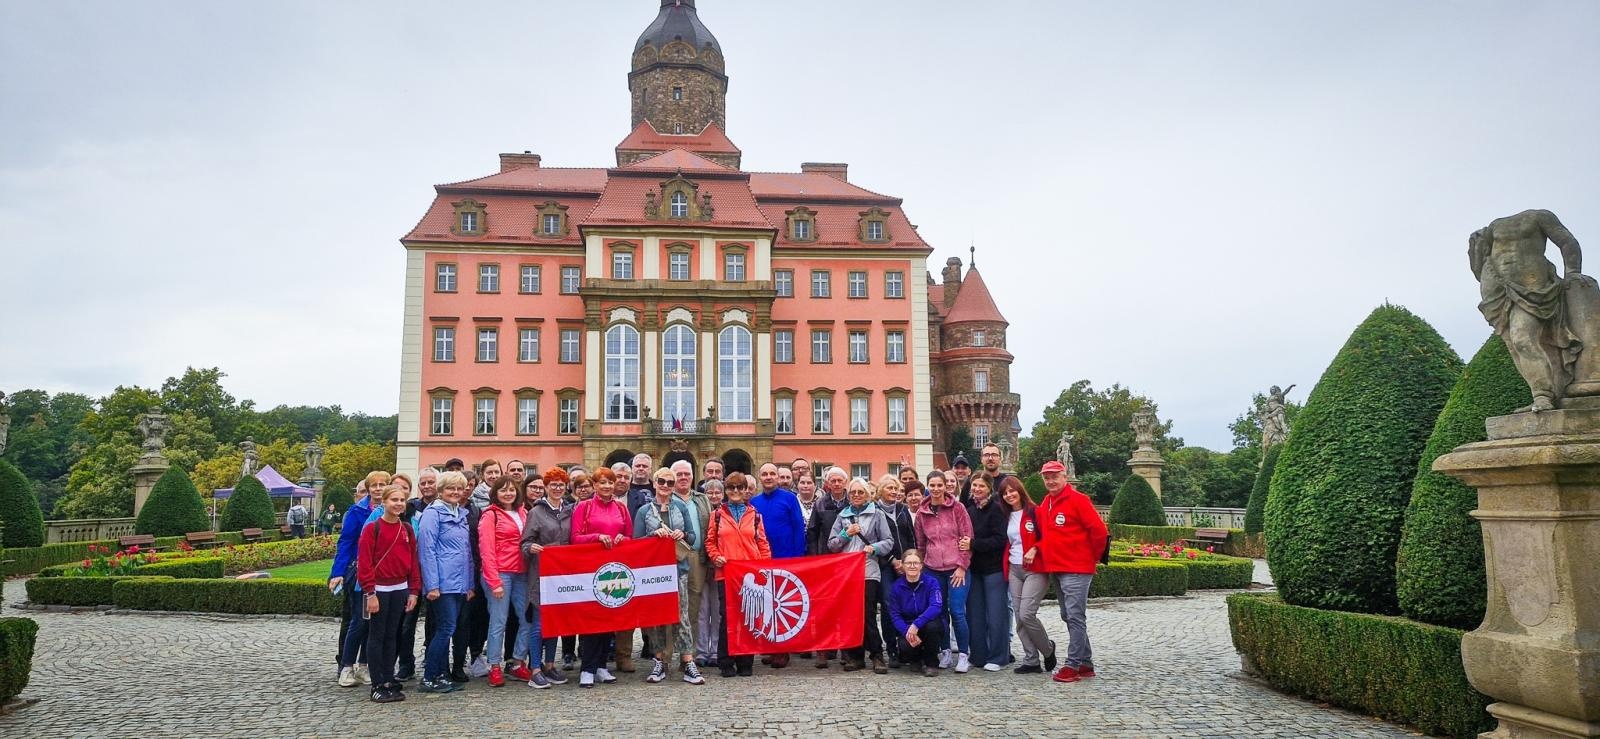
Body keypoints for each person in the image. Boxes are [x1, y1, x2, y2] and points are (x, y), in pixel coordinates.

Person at [1034, 460, 1108, 683]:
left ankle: (1073, 665)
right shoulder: (1046, 502)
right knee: (1068, 615)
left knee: (1075, 617)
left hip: (1076, 568)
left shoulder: (1078, 500)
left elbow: (1099, 532)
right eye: (1047, 477)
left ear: (1065, 477)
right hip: (1057, 567)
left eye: (1055, 476)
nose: (1050, 480)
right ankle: (1086, 663)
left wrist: (1090, 558)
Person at [635, 467, 704, 685]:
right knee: (657, 617)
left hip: (678, 569)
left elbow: (692, 538)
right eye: (662, 482)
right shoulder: (644, 511)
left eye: (670, 483)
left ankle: (687, 661)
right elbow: (636, 542)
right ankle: (659, 661)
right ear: (654, 483)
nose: (666, 486)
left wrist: (682, 533)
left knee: (681, 615)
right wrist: (652, 535)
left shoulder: (681, 507)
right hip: (654, 573)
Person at [704, 472, 772, 678]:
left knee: (749, 616)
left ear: (746, 491)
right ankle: (725, 661)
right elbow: (710, 542)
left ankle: (746, 660)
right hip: (726, 573)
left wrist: (765, 569)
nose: (735, 492)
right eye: (731, 488)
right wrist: (716, 557)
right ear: (726, 491)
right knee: (727, 617)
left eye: (739, 488)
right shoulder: (717, 515)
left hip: (749, 574)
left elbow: (762, 543)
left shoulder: (755, 515)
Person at [570, 468, 633, 687]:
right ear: (594, 485)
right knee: (591, 619)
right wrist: (597, 537)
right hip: (590, 568)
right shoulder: (584, 507)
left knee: (609, 617)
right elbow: (575, 537)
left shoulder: (621, 509)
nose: (607, 486)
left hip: (613, 569)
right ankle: (587, 667)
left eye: (610, 482)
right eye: (602, 482)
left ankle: (601, 666)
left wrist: (622, 539)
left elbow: (629, 536)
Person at [358, 483, 421, 703]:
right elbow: (365, 564)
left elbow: (413, 562)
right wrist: (370, 592)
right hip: (379, 589)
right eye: (394, 500)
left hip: (400, 588)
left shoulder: (407, 529)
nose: (398, 504)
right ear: (383, 502)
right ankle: (377, 683)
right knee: (376, 635)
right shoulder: (372, 528)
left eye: (402, 500)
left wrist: (413, 591)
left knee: (393, 635)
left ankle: (388, 677)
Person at [827, 477, 894, 674]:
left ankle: (876, 654)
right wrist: (846, 534)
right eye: (853, 492)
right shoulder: (842, 516)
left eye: (860, 492)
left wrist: (872, 548)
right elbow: (832, 545)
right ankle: (855, 656)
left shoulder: (877, 514)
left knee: (868, 613)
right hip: (847, 573)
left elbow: (888, 542)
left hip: (868, 571)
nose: (856, 495)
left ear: (868, 495)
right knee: (850, 615)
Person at [417, 470, 475, 694]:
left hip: (459, 583)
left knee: (449, 629)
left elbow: (466, 552)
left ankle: (441, 674)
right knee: (445, 629)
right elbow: (427, 551)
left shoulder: (460, 513)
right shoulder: (433, 514)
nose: (456, 492)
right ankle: (430, 676)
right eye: (451, 488)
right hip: (442, 583)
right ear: (441, 491)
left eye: (459, 488)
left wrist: (469, 584)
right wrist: (432, 585)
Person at [330, 470, 389, 688]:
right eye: (374, 485)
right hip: (361, 572)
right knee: (358, 622)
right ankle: (346, 666)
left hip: (382, 574)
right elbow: (345, 542)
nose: (378, 488)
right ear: (368, 488)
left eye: (383, 484)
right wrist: (337, 572)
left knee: (373, 624)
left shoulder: (391, 509)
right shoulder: (357, 511)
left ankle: (364, 665)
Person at [915, 470, 974, 673]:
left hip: (956, 568)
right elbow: (921, 544)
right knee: (939, 613)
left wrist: (962, 567)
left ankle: (964, 654)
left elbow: (967, 540)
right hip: (933, 569)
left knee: (957, 611)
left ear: (945, 486)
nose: (936, 489)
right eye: (932, 485)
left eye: (939, 485)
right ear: (928, 487)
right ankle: (946, 650)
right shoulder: (922, 513)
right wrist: (922, 567)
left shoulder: (958, 508)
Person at [478, 477, 534, 688]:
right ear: (496, 493)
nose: (508, 493)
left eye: (512, 489)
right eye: (503, 490)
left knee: (527, 618)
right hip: (500, 573)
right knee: (498, 622)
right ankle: (494, 666)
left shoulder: (523, 512)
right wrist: (494, 582)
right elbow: (486, 549)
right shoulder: (490, 515)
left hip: (522, 572)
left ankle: (517, 661)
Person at [522, 468, 574, 688]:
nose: (557, 488)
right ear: (546, 486)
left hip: (562, 576)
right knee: (539, 624)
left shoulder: (570, 511)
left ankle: (550, 665)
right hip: (542, 574)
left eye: (561, 484)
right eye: (553, 484)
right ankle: (535, 668)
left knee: (555, 623)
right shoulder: (536, 512)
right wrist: (531, 547)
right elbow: (525, 542)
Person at [1001, 475, 1056, 675]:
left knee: (1027, 613)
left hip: (1035, 569)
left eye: (1012, 490)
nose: (1009, 495)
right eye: (1005, 493)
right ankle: (1031, 659)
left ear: (1020, 490)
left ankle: (1048, 649)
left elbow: (1049, 537)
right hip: (1014, 569)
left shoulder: (1035, 512)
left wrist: (1035, 548)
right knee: (1019, 616)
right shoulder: (1006, 515)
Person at [964, 473, 1011, 671]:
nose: (976, 489)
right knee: (975, 615)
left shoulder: (997, 509)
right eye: (974, 485)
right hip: (974, 569)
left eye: (981, 486)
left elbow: (1000, 540)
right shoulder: (969, 509)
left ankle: (999, 656)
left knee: (996, 614)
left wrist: (975, 544)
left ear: (990, 488)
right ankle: (978, 655)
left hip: (994, 570)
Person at [671, 460, 711, 677]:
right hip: (673, 559)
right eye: (679, 474)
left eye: (687, 473)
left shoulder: (702, 498)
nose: (684, 477)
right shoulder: (667, 498)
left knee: (693, 607)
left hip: (698, 557)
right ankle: (668, 654)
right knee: (673, 607)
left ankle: (689, 656)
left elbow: (710, 526)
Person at [875, 474, 916, 668]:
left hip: (907, 564)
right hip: (885, 565)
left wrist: (910, 560)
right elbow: (874, 541)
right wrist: (893, 561)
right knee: (889, 603)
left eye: (896, 488)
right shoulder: (874, 510)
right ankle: (891, 648)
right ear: (881, 490)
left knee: (907, 604)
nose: (893, 492)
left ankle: (906, 647)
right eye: (889, 488)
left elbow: (911, 537)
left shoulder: (903, 510)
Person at [886, 549, 945, 677]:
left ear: (921, 565)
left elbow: (936, 606)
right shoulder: (896, 587)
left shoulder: (931, 582)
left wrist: (916, 625)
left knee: (933, 628)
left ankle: (931, 663)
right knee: (904, 644)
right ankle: (916, 659)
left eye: (916, 563)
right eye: (908, 563)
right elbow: (895, 615)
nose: (912, 566)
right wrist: (907, 631)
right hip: (908, 626)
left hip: (928, 623)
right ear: (902, 565)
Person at [695, 479, 725, 666]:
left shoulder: (727, 512)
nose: (713, 496)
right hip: (702, 564)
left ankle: (716, 649)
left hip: (721, 565)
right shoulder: (699, 510)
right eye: (710, 492)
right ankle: (701, 650)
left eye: (717, 492)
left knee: (718, 610)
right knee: (702, 610)